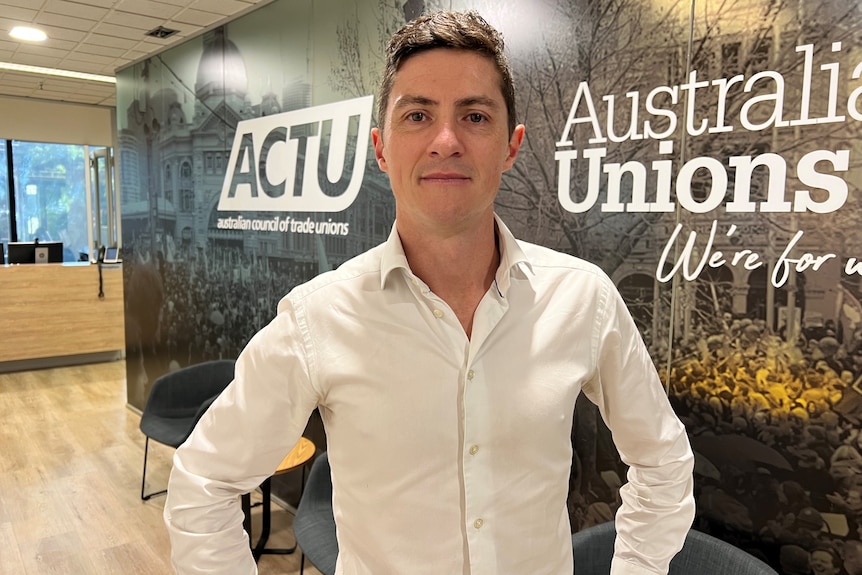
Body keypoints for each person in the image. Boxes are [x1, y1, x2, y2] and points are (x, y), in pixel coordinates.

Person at [164, 10, 695, 575]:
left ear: (511, 146)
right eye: (418, 115)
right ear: (382, 148)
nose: (446, 140)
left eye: (475, 115)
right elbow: (204, 483)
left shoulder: (582, 299)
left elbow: (664, 461)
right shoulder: (317, 319)